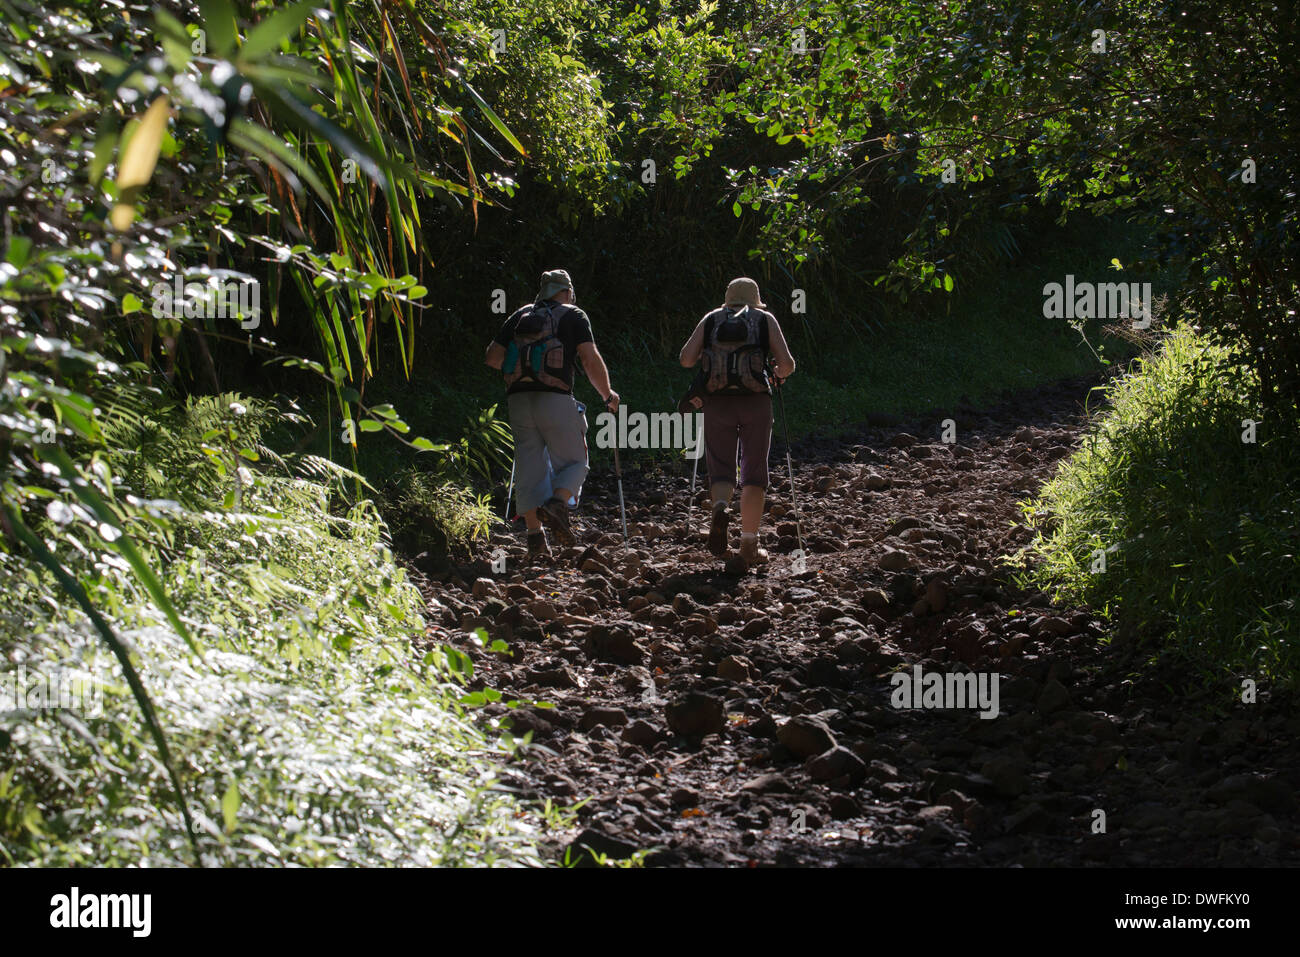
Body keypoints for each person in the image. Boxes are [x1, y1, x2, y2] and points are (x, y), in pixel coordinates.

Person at [485, 269, 619, 557]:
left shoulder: (519, 315)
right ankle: (557, 504)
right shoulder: (573, 314)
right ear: (567, 291)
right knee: (575, 463)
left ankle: (535, 538)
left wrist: (524, 366)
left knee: (529, 469)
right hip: (555, 399)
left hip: (518, 401)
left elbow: (492, 358)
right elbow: (588, 358)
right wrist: (607, 395)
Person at [679, 277, 795, 567]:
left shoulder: (711, 319)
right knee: (754, 471)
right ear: (755, 300)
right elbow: (788, 364)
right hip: (756, 402)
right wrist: (778, 373)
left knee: (721, 466)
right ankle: (748, 546)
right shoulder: (764, 319)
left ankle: (720, 507)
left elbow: (686, 360)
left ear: (727, 299)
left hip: (716, 401)